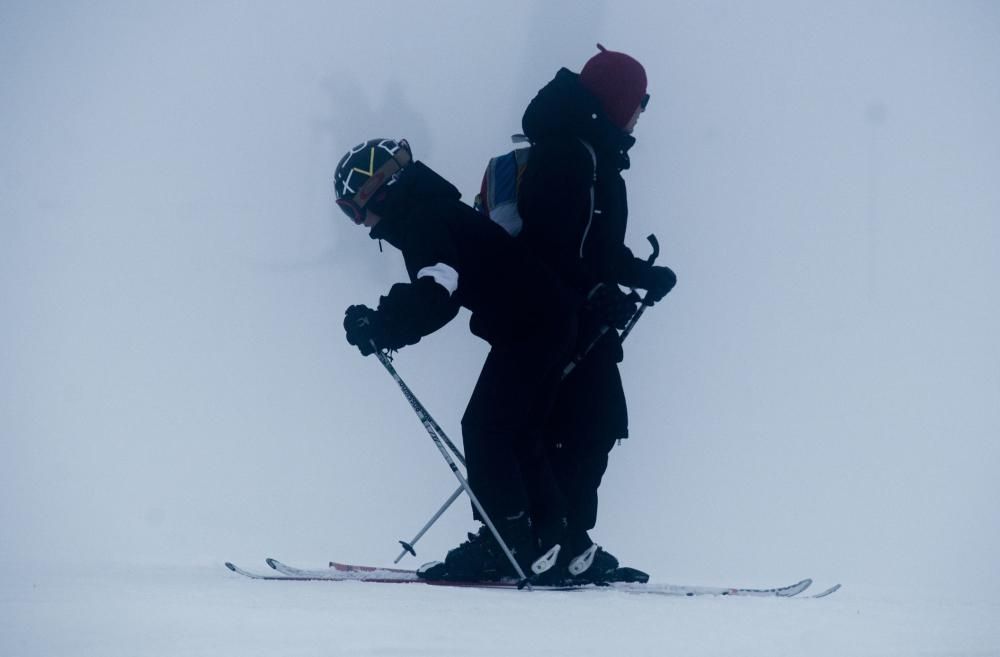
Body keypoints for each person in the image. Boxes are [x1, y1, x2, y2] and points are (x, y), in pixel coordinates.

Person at [334, 137, 580, 581]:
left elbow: (438, 290)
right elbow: (443, 290)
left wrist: (382, 324)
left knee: (485, 428)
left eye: (352, 208)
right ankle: (555, 540)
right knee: (518, 433)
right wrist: (388, 322)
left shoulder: (419, 217)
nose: (358, 221)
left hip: (532, 325)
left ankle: (503, 546)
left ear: (376, 189)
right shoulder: (428, 207)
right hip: (546, 319)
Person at [514, 45, 677, 581]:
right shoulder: (569, 153)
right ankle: (543, 539)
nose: (641, 112)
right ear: (617, 99)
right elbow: (556, 245)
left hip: (582, 317)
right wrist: (596, 291)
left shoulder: (590, 153)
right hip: (562, 320)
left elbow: (592, 247)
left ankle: (570, 541)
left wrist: (636, 275)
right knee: (576, 424)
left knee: (593, 424)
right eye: (640, 101)